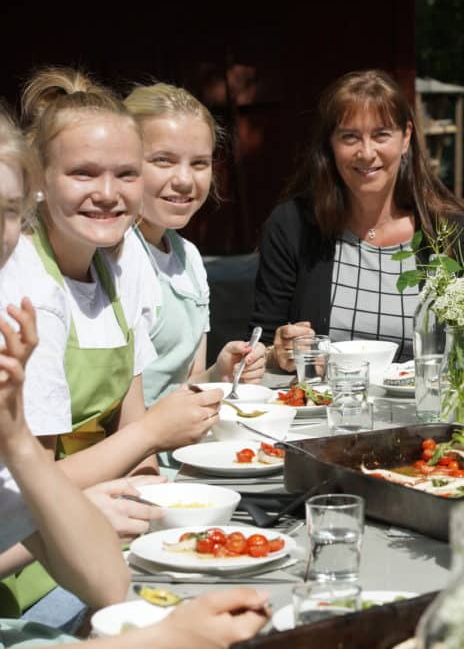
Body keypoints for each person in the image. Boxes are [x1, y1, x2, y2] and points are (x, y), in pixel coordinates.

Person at [0, 106, 267, 646]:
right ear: (43, 188)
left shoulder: (111, 270)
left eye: (4, 210)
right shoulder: (32, 297)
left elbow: (107, 583)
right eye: (83, 173)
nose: (107, 192)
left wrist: (23, 454)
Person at [15, 66, 221, 481]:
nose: (108, 194)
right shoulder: (28, 289)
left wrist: (160, 510)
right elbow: (31, 489)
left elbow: (133, 427)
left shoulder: (120, 266)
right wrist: (151, 434)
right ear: (38, 178)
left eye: (126, 174)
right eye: (84, 173)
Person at [251, 70, 464, 368]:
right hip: (324, 409)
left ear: (406, 138)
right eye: (349, 137)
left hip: (423, 411)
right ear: (330, 145)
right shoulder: (292, 226)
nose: (366, 152)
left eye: (381, 135)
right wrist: (276, 354)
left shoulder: (450, 231)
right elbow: (258, 347)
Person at [122, 83, 266, 406]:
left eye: (199, 163)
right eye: (163, 160)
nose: (185, 180)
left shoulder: (189, 258)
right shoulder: (117, 257)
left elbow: (186, 384)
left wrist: (219, 373)